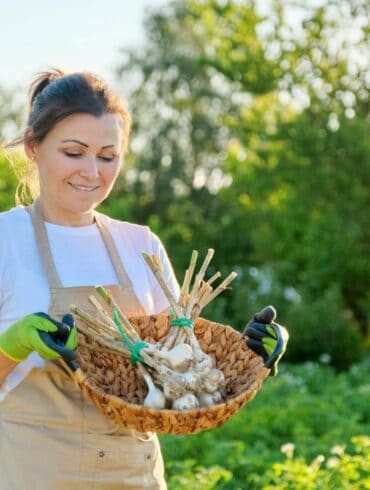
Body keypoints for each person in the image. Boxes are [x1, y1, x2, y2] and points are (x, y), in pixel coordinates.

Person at [0, 68, 288, 489]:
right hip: (31, 472)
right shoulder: (6, 238)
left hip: (132, 473)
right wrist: (12, 345)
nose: (92, 172)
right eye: (74, 152)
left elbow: (179, 373)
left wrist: (248, 359)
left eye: (107, 156)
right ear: (32, 147)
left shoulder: (141, 245)